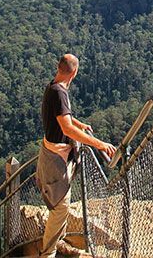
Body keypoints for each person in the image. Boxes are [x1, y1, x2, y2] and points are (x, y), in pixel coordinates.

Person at [36, 53, 117, 258]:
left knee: (61, 203)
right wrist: (99, 144)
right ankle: (48, 253)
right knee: (60, 208)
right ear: (75, 72)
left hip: (52, 153)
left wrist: (79, 124)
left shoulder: (53, 87)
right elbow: (67, 128)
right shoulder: (60, 93)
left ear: (58, 67)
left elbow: (63, 118)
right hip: (56, 159)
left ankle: (58, 243)